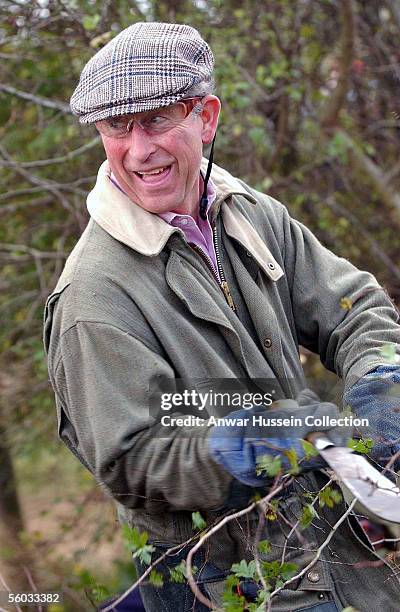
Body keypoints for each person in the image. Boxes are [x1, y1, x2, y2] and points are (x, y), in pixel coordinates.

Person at [44, 22, 400, 612]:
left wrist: (383, 384)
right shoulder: (93, 298)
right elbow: (131, 459)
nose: (139, 149)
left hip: (329, 556)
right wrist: (240, 447)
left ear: (205, 118)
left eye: (157, 119)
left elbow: (353, 307)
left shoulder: (248, 214)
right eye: (116, 127)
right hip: (225, 589)